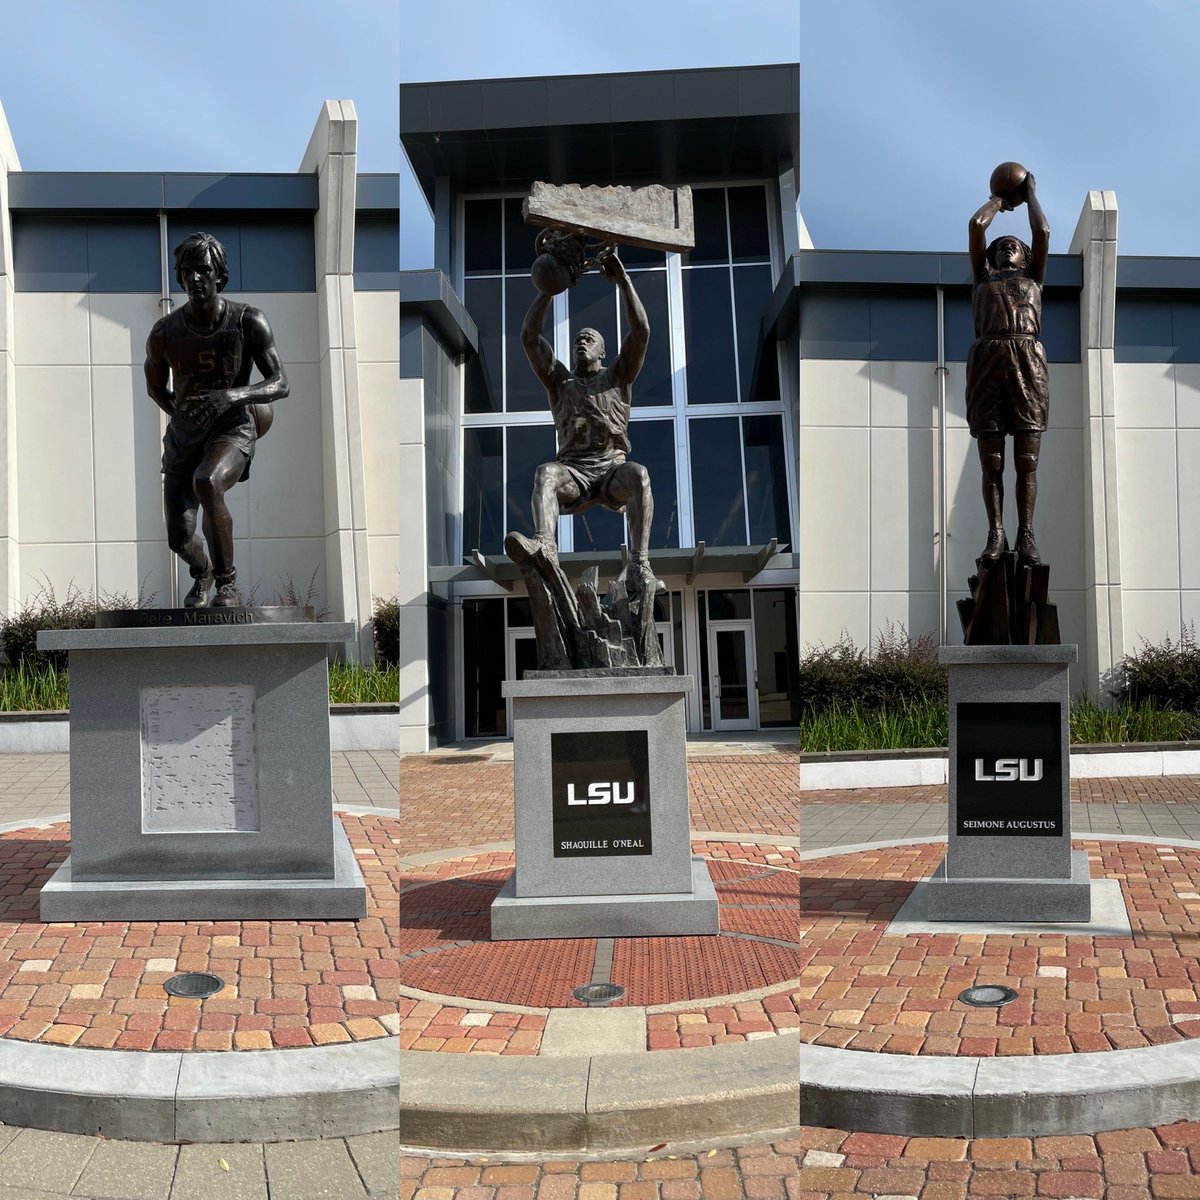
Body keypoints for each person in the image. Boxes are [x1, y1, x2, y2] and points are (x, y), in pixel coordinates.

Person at [144, 233, 289, 608]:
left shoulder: (248, 321)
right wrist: (182, 414)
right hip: (184, 437)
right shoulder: (164, 332)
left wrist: (233, 396)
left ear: (219, 276)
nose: (194, 278)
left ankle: (227, 584)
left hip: (232, 427)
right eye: (186, 272)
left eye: (202, 270)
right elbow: (155, 387)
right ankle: (204, 571)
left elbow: (280, 382)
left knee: (207, 482)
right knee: (178, 537)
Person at [508, 250, 653, 575]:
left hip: (611, 471)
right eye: (577, 340)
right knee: (545, 473)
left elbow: (641, 332)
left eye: (588, 339)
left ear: (603, 351)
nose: (581, 343)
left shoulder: (617, 377)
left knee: (639, 475)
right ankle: (546, 545)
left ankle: (639, 562)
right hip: (574, 473)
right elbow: (529, 338)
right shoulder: (560, 382)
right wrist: (548, 290)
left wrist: (624, 282)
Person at [967, 170, 1050, 565]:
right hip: (987, 361)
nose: (1006, 250)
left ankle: (1026, 533)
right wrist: (1000, 200)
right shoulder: (982, 278)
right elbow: (976, 225)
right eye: (1000, 247)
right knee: (992, 460)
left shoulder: (1034, 279)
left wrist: (1029, 194)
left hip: (1027, 360)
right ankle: (996, 531)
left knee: (1026, 460)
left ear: (1026, 257)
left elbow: (1043, 231)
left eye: (1013, 246)